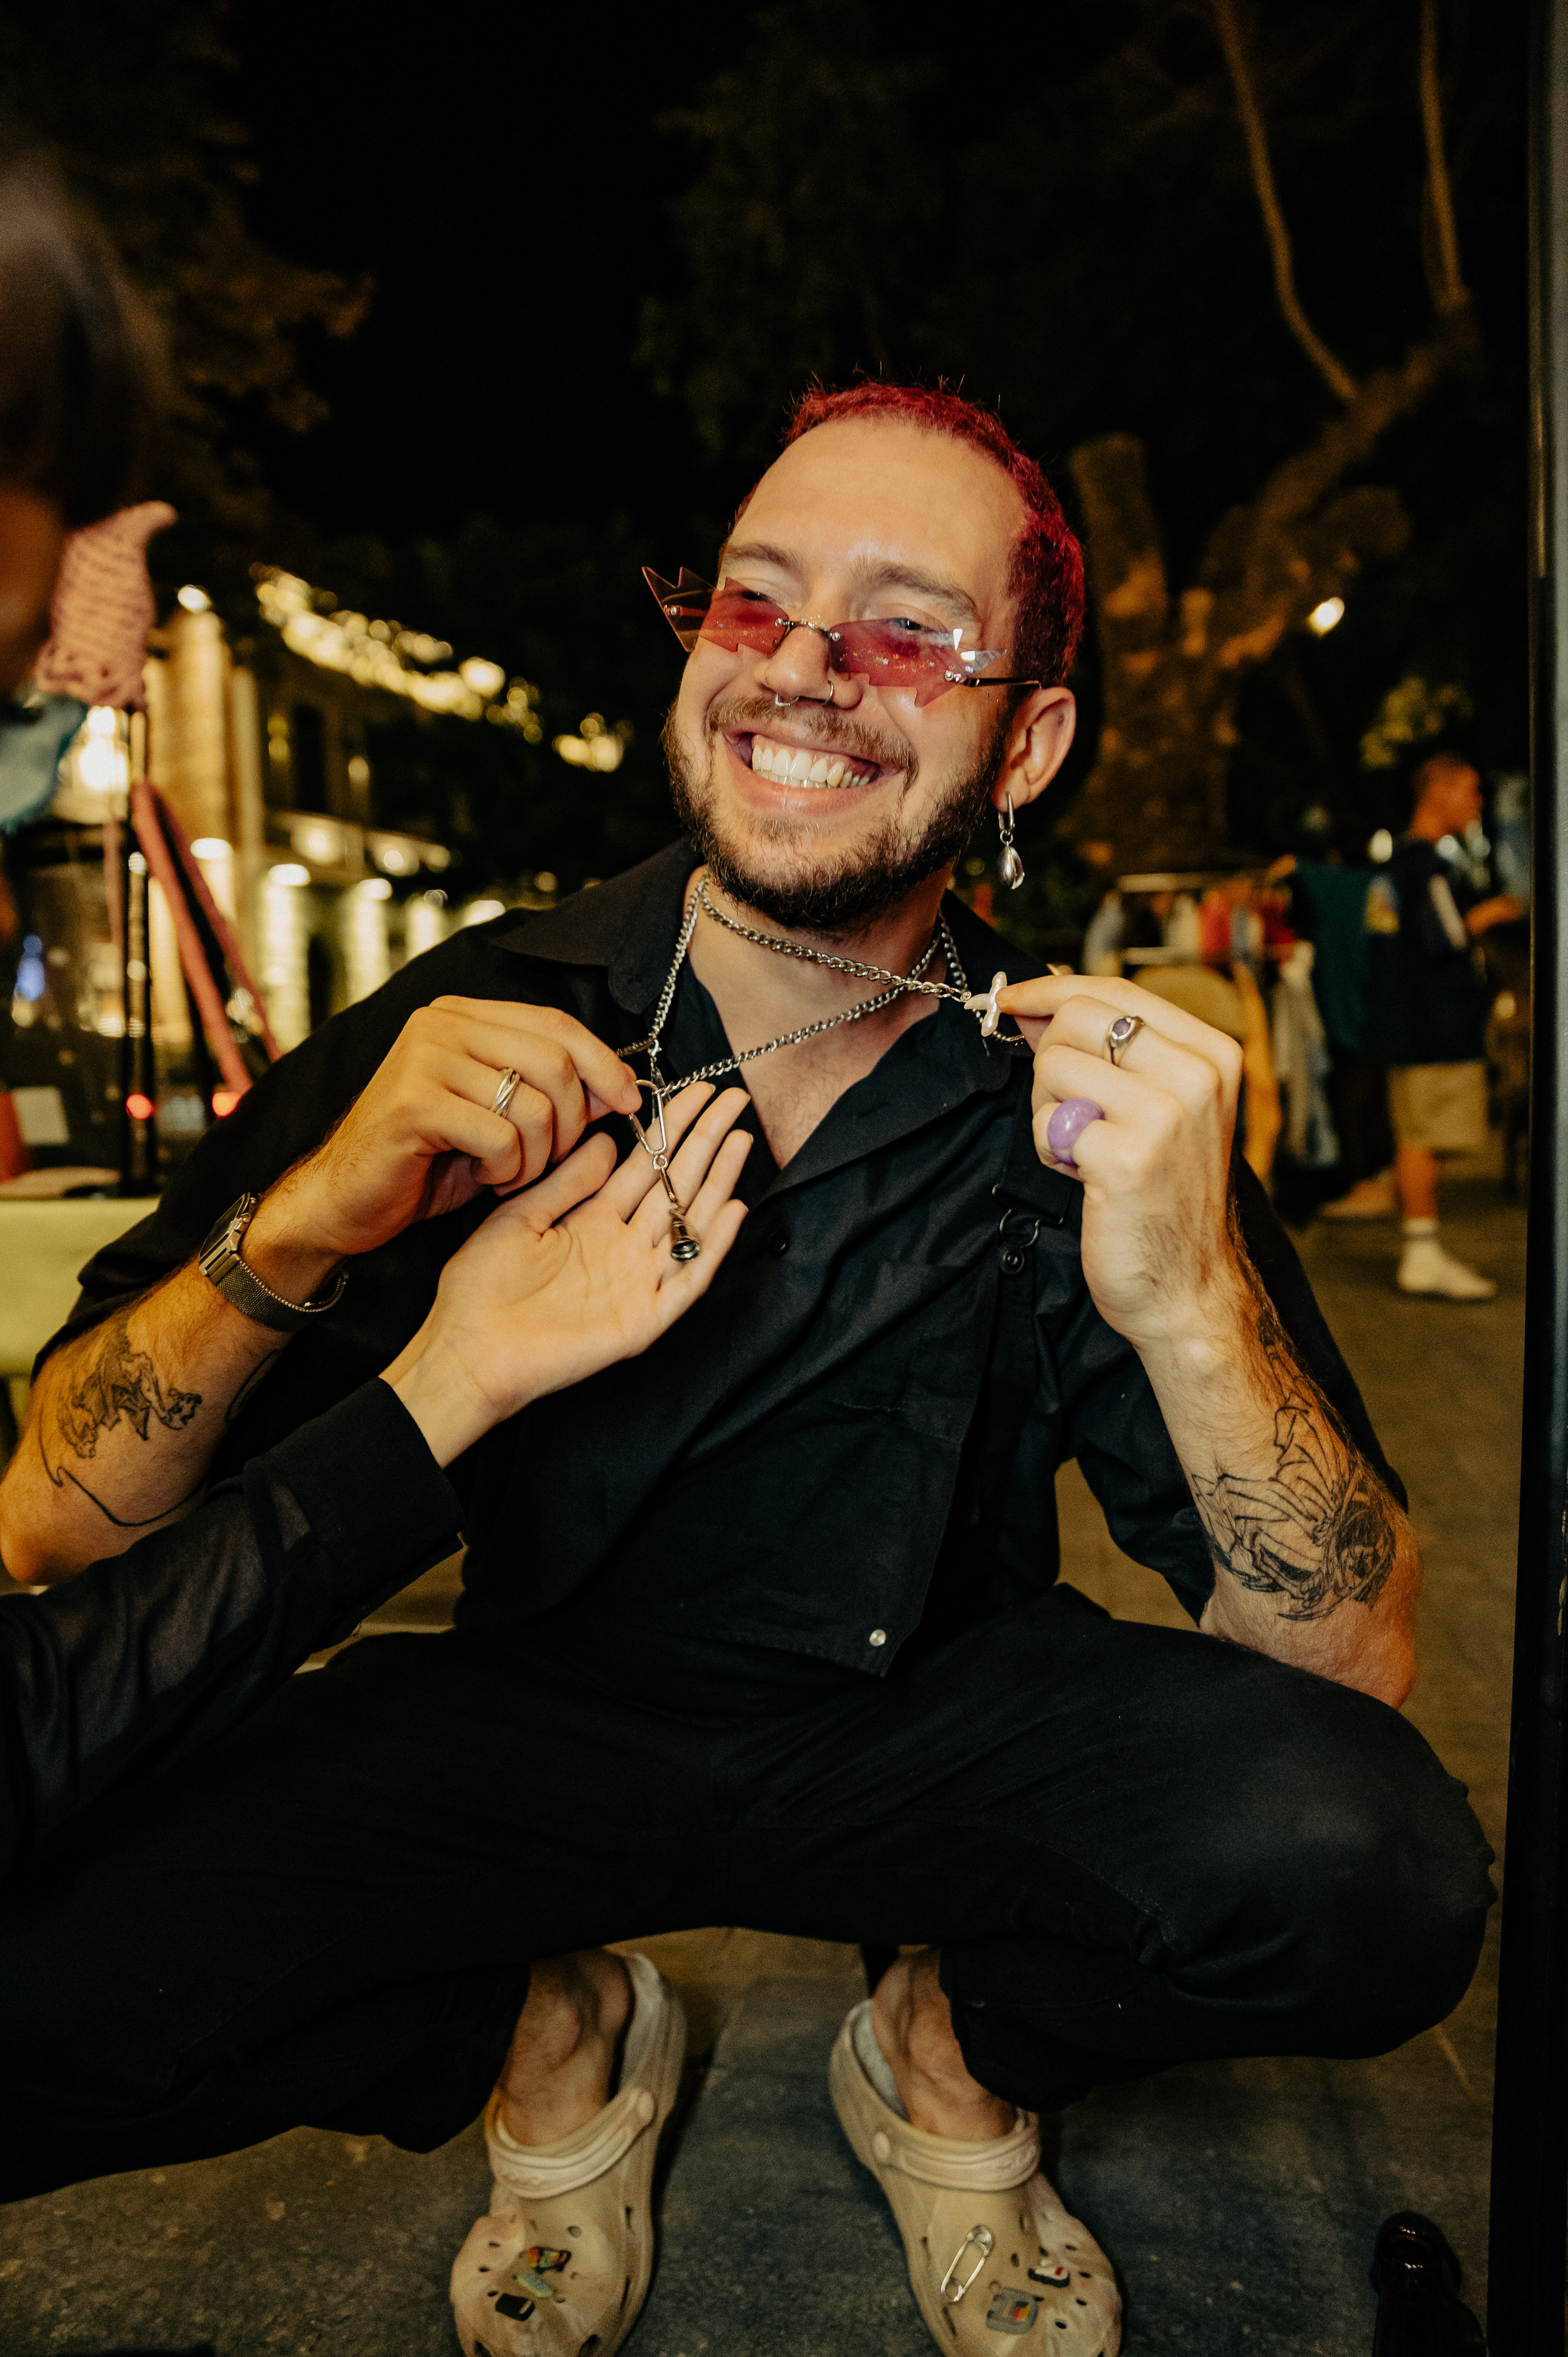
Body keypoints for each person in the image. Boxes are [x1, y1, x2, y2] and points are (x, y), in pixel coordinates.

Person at [0, 386, 1492, 2357]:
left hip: (936, 1728)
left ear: (1021, 736)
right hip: (518, 1730)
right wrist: (294, 1229)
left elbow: (1346, 1682)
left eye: (899, 626)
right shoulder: (486, 1013)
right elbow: (54, 1513)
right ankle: (546, 2024)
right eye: (753, 603)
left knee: (1369, 1864)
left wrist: (1188, 1291)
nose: (799, 664)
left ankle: (941, 2053)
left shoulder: (1074, 1086)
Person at [1365, 750, 1524, 1299]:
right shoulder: (1427, 868)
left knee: (1417, 1135)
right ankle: (1422, 1249)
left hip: (1404, 1026)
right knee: (1424, 1139)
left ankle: (1420, 1241)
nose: (1478, 802)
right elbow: (1447, 938)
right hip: (1432, 1028)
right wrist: (1493, 913)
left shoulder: (1390, 871)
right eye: (1472, 789)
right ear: (1439, 793)